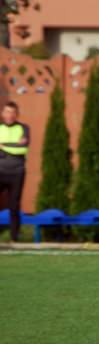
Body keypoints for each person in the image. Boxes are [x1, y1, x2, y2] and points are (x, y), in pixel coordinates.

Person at [0, 101, 29, 242]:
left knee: (14, 205)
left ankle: (14, 238)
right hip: (0, 171)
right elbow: (16, 146)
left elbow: (22, 149)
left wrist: (2, 146)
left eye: (12, 112)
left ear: (17, 114)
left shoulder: (24, 128)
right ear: (2, 114)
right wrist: (14, 145)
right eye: (7, 112)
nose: (9, 115)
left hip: (17, 172)